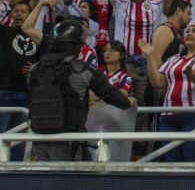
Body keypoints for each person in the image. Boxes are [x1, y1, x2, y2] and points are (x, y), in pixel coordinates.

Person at [28, 20, 133, 161]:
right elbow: (118, 99)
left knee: (44, 182)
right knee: (73, 182)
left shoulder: (34, 70)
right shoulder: (82, 70)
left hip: (38, 140)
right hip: (70, 140)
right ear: (75, 45)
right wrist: (128, 101)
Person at [139, 22, 195, 162]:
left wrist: (191, 73)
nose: (189, 33)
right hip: (168, 115)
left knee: (191, 160)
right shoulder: (174, 59)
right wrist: (150, 57)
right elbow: (158, 83)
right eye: (188, 31)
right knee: (172, 162)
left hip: (193, 115)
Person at [0, 1, 37, 161]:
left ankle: (15, 169)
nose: (19, 14)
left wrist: (35, 67)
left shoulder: (39, 37)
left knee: (20, 136)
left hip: (28, 93)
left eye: (23, 11)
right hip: (5, 91)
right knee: (2, 131)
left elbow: (47, 61)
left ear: (31, 15)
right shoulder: (4, 32)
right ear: (11, 14)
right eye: (16, 11)